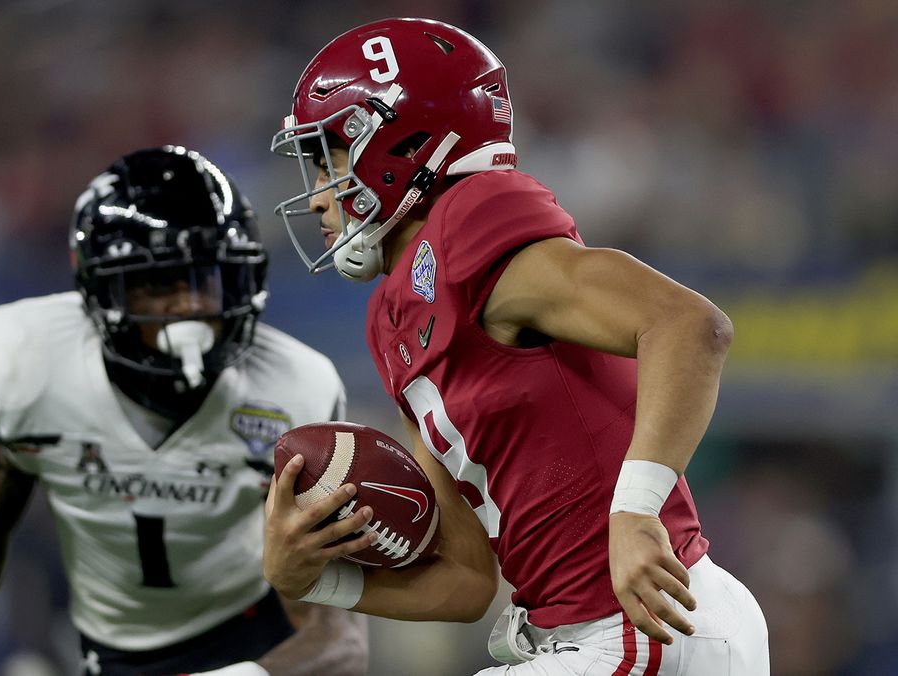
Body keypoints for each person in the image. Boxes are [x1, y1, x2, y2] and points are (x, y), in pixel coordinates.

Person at [263, 17, 769, 675]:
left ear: (398, 142)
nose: (318, 195)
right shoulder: (395, 314)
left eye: (327, 159)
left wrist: (637, 510)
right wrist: (311, 578)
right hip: (592, 635)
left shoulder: (470, 220)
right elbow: (467, 580)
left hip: (642, 625)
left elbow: (689, 326)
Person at [0, 146, 367, 676]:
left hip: (252, 638)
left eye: (207, 279)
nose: (189, 307)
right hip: (109, 650)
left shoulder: (294, 391)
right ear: (102, 291)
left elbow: (339, 639)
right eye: (158, 285)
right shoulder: (31, 365)